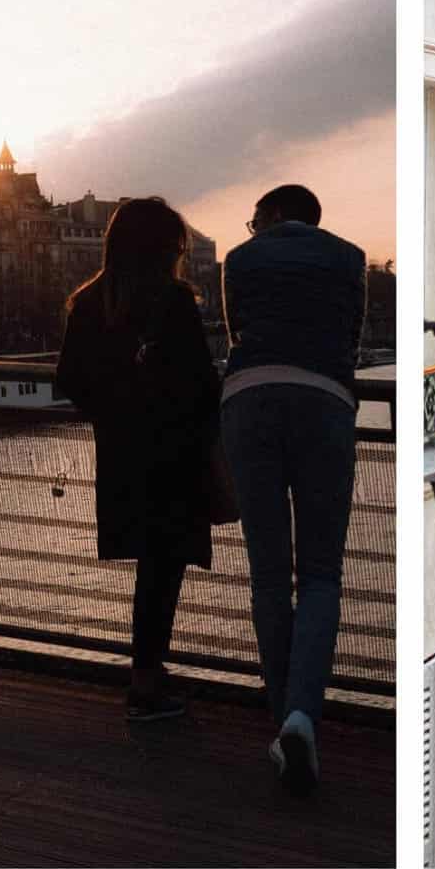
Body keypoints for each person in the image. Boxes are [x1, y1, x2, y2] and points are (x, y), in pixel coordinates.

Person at [221, 183, 366, 796]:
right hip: (325, 402)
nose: (252, 231)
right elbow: (349, 343)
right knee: (322, 575)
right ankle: (302, 717)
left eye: (255, 222)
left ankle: (286, 722)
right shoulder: (351, 258)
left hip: (249, 399)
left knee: (268, 576)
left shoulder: (240, 261)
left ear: (273, 216)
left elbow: (237, 334)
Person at [54, 197, 220, 723]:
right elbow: (201, 384)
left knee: (151, 565)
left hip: (123, 453)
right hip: (173, 454)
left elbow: (71, 381)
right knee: (164, 567)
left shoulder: (90, 302)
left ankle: (147, 669)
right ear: (164, 247)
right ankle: (146, 682)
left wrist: (116, 413)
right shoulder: (172, 301)